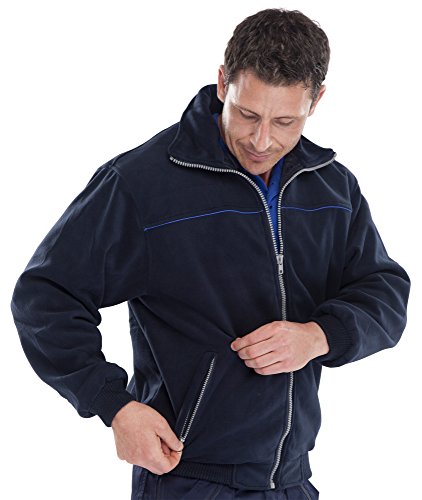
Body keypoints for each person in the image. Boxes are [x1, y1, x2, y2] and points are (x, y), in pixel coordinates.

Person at [11, 8, 410, 500]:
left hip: (290, 480)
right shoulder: (142, 184)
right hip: (189, 477)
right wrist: (115, 405)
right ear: (223, 83)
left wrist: (319, 336)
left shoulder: (332, 188)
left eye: (285, 121)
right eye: (248, 114)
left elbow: (384, 291)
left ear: (317, 100)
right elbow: (45, 296)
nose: (262, 140)